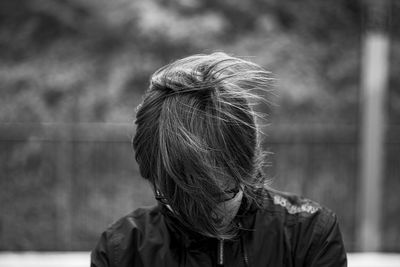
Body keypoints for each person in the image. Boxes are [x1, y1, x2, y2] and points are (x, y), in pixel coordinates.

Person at [90, 52, 347, 267]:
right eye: (178, 197)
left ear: (246, 167)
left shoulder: (308, 234)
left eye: (218, 195)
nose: (201, 213)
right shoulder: (122, 250)